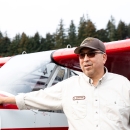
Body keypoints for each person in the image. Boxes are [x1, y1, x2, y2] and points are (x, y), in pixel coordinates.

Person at [0, 37, 130, 130]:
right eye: (81, 56)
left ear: (104, 57)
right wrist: (6, 100)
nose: (85, 59)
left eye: (91, 54)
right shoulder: (68, 86)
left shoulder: (124, 85)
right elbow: (38, 97)